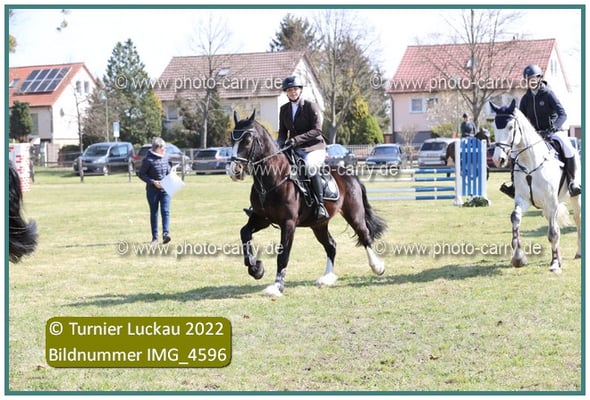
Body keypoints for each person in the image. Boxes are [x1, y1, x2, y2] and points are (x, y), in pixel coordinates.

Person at [500, 64, 581, 198]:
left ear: (539, 78)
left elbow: (562, 114)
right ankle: (514, 186)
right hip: (535, 135)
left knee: (568, 148)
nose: (530, 82)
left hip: (553, 132)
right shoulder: (525, 99)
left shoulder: (548, 94)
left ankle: (572, 183)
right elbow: (521, 119)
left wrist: (553, 128)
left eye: (533, 78)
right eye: (528, 79)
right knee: (514, 152)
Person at [277, 75, 328, 220]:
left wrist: (296, 139)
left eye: (295, 89)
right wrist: (279, 144)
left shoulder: (311, 106)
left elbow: (317, 130)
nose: (292, 92)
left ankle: (320, 205)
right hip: (294, 148)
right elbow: (282, 132)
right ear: (286, 92)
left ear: (300, 90)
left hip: (314, 148)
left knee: (309, 166)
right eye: (289, 90)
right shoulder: (284, 109)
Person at [138, 137, 172, 244]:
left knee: (165, 211)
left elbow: (168, 170)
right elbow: (141, 174)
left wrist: (172, 174)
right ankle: (155, 237)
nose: (165, 149)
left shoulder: (166, 157)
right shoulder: (148, 159)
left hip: (165, 189)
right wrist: (152, 182)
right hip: (152, 191)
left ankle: (166, 234)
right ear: (157, 148)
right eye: (163, 148)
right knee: (154, 213)